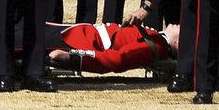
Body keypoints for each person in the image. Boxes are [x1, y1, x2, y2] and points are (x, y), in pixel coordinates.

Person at [46, 21, 179, 73]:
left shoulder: (157, 46)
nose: (179, 25)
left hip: (77, 41)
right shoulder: (157, 39)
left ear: (178, 43)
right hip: (80, 33)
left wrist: (71, 57)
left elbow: (117, 60)